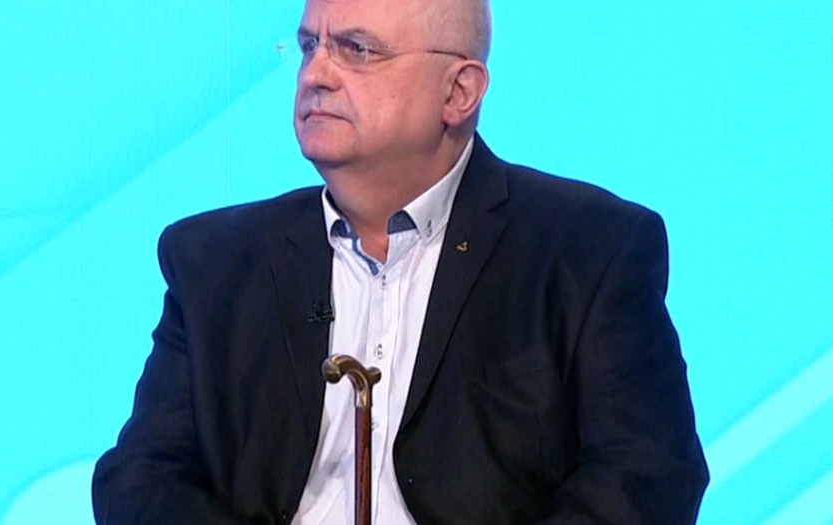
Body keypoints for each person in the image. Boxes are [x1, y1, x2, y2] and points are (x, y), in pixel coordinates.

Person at [92, 0, 709, 523]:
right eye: (309, 47)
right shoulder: (214, 262)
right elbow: (141, 478)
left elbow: (648, 475)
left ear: (459, 91)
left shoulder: (588, 250)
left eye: (357, 50)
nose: (316, 75)